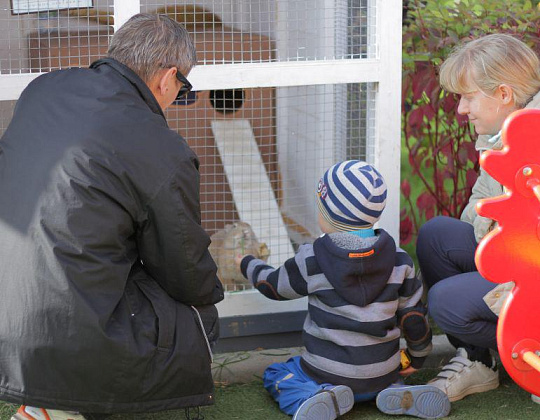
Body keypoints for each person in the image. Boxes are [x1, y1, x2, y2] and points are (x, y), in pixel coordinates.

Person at [0, 13, 224, 420]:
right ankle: (65, 407)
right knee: (196, 313)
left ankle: (47, 401)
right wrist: (210, 297)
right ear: (167, 77)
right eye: (183, 86)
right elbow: (184, 270)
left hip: (6, 307)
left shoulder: (43, 89)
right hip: (65, 327)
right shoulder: (161, 147)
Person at [236, 161, 451, 419]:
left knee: (277, 373)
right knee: (384, 375)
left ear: (328, 215)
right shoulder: (399, 260)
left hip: (325, 372)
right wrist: (417, 358)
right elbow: (414, 317)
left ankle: (317, 396)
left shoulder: (312, 260)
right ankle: (394, 389)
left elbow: (272, 286)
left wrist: (246, 263)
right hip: (382, 372)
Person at [416, 33, 540, 402]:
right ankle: (478, 361)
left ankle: (528, 350)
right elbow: (477, 210)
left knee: (448, 302)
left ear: (503, 94)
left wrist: (498, 224)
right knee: (437, 235)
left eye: (469, 96)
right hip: (519, 255)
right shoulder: (506, 136)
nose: (461, 110)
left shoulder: (532, 142)